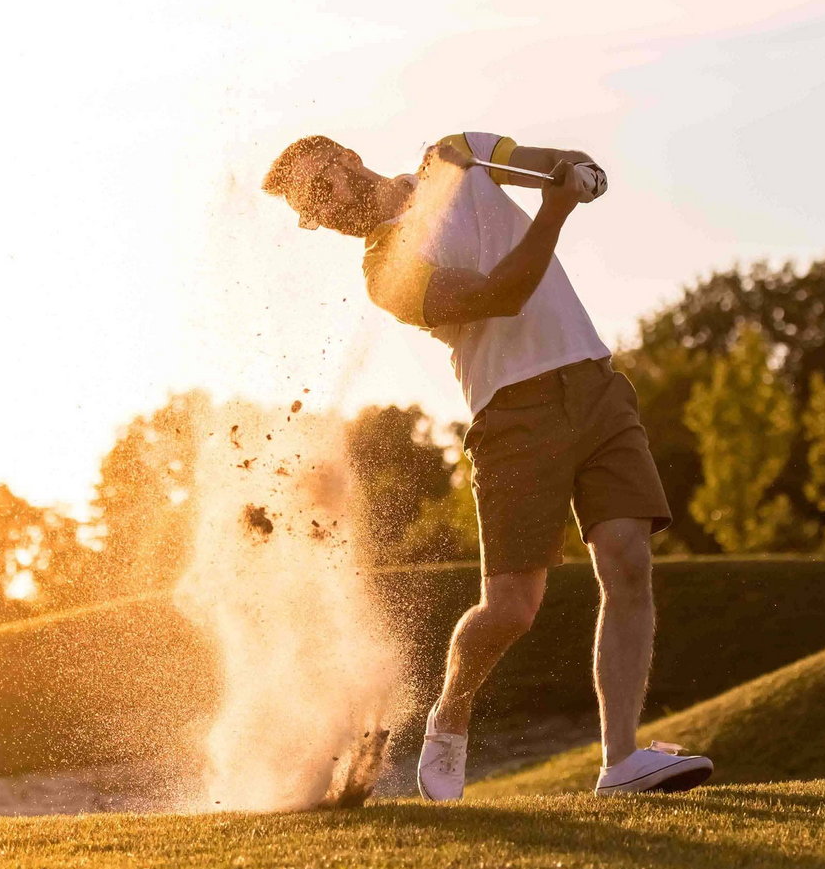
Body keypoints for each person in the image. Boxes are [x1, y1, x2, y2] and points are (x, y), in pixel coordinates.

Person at [261, 131, 713, 799]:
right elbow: (503, 293)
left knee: (628, 560)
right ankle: (451, 712)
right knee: (510, 610)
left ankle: (621, 761)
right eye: (312, 210)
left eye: (320, 186)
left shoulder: (454, 154)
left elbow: (546, 167)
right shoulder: (385, 275)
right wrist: (559, 209)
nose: (324, 211)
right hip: (511, 418)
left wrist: (575, 174)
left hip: (594, 385)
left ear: (347, 158)